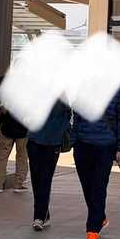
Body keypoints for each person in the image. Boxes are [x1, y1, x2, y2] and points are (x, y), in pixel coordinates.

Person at [72, 85, 120, 239]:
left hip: (105, 146)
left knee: (98, 187)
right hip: (82, 145)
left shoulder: (119, 89)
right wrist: (74, 139)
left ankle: (92, 231)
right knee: (87, 187)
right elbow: (77, 114)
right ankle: (100, 217)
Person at [27, 99, 71, 232]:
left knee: (45, 178)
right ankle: (44, 213)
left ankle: (39, 216)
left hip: (52, 142)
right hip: (34, 140)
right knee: (36, 178)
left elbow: (68, 115)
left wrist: (59, 133)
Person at [0, 79, 29, 194]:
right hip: (24, 127)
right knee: (22, 156)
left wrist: (2, 105)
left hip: (7, 126)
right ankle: (19, 184)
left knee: (2, 157)